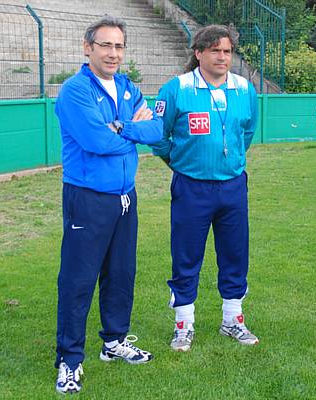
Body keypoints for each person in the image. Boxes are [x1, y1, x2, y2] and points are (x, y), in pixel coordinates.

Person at [53, 15, 163, 393]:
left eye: (119, 46)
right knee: (78, 279)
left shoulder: (128, 87)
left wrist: (122, 128)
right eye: (106, 45)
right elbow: (96, 142)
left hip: (126, 197)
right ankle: (69, 359)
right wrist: (130, 131)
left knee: (121, 274)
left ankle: (114, 341)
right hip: (88, 197)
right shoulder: (75, 91)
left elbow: (156, 130)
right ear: (88, 48)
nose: (113, 53)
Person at [149, 24, 259, 352]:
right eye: (215, 50)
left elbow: (247, 133)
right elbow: (159, 137)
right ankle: (183, 324)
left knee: (235, 253)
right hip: (191, 187)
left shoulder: (244, 89)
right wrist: (184, 164)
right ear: (198, 53)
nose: (222, 57)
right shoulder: (177, 88)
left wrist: (228, 161)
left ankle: (232, 320)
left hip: (233, 186)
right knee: (186, 254)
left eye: (227, 51)